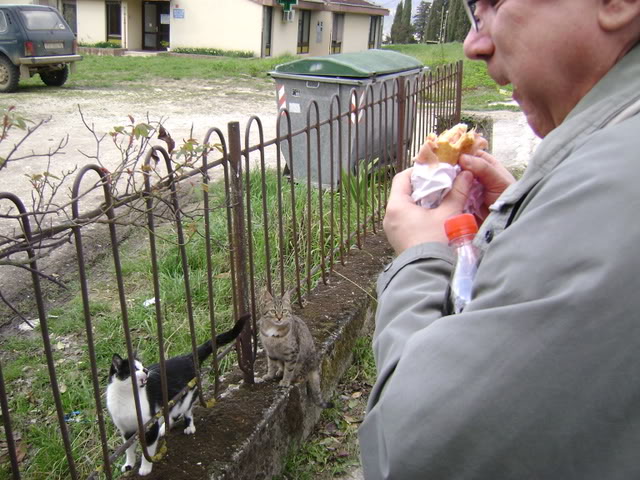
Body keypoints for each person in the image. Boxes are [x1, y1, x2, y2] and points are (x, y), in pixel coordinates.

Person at [359, 0, 640, 478]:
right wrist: (523, 222)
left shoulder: (619, 183)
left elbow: (414, 449)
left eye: (493, 3)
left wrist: (421, 258)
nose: (474, 44)